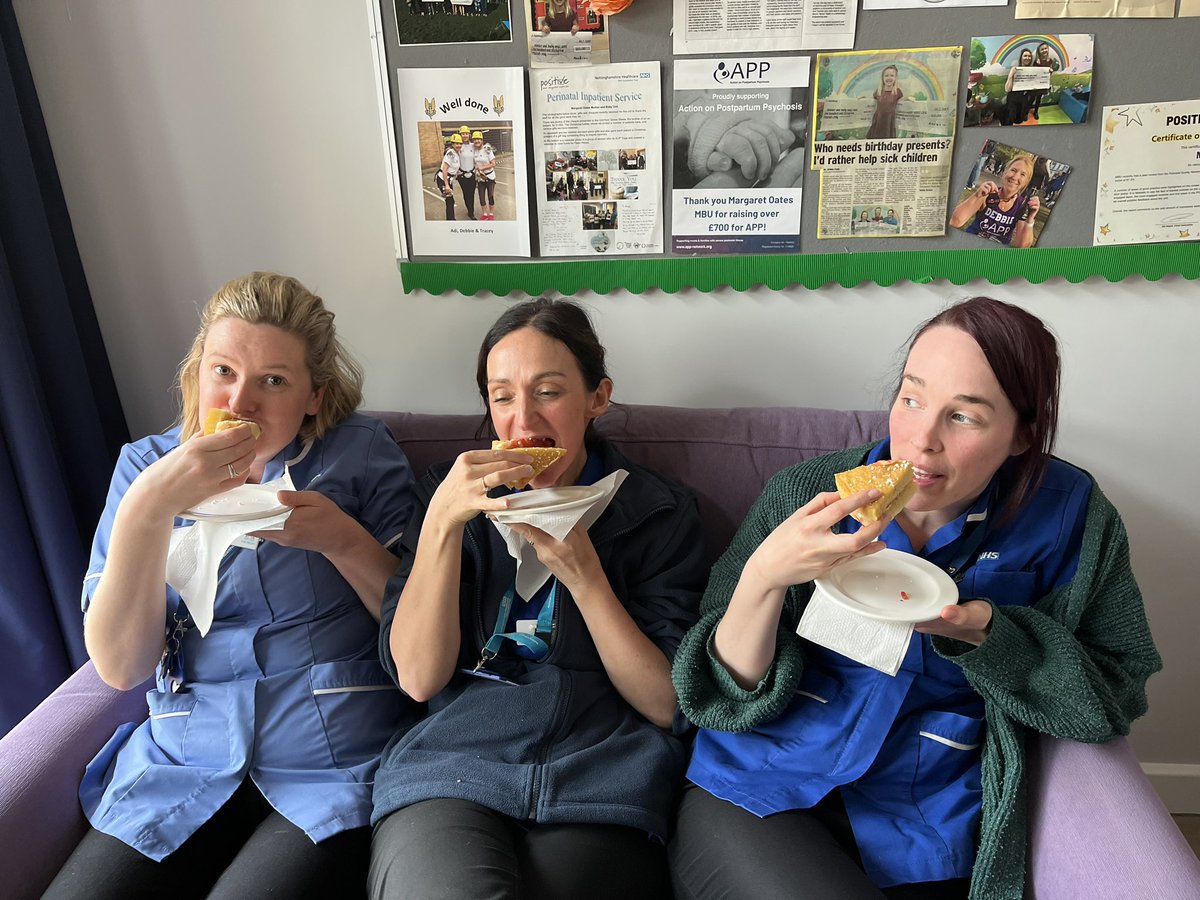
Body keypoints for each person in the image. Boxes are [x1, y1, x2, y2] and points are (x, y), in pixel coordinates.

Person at [668, 296, 1160, 900]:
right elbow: (714, 698)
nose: (920, 441)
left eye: (965, 416)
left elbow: (1111, 697)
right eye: (912, 397)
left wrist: (990, 638)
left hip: (927, 820)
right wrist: (765, 575)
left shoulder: (1069, 520)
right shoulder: (807, 495)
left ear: (1021, 435)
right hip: (764, 785)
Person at [44, 272, 417, 899]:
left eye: (273, 381)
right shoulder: (144, 469)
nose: (240, 402)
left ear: (313, 398)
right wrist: (149, 508)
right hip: (182, 759)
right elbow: (119, 666)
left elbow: (420, 626)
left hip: (332, 757)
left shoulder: (358, 454)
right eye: (223, 371)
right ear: (196, 376)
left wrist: (342, 541)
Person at [369, 298, 706, 899]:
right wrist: (443, 524)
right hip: (450, 771)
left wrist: (586, 577)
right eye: (502, 396)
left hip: (603, 779)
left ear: (597, 398)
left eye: (547, 391)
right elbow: (418, 679)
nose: (522, 419)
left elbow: (667, 705)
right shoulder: (445, 499)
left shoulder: (657, 512)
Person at [950, 153, 1040, 248]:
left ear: (1026, 181)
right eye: (1013, 170)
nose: (1015, 177)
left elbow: (1022, 246)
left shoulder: (1021, 205)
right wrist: (976, 195)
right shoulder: (989, 193)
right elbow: (955, 221)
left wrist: (1030, 219)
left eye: (1022, 174)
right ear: (1005, 172)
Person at [867, 64, 903, 140]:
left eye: (892, 75)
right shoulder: (878, 91)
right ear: (883, 78)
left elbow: (904, 99)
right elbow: (871, 98)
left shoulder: (897, 92)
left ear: (895, 78)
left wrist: (910, 98)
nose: (889, 78)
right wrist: (863, 97)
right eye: (886, 76)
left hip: (889, 122)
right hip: (878, 122)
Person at [1003, 49, 1035, 126]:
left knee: (1019, 120)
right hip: (1013, 99)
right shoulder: (1015, 69)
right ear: (1021, 57)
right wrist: (1010, 76)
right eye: (1025, 56)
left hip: (1023, 99)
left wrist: (1047, 73)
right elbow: (1007, 89)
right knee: (1011, 119)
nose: (1027, 58)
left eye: (1029, 56)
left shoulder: (1033, 70)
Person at [1028, 42, 1060, 121]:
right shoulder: (1037, 61)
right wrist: (1036, 64)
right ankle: (1026, 111)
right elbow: (1034, 72)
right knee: (1031, 98)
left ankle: (1036, 112)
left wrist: (1051, 71)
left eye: (1045, 48)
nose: (1044, 50)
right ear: (1039, 51)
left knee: (1039, 98)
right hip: (1036, 84)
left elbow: (1050, 71)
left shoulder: (1050, 61)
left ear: (1048, 49)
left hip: (1043, 84)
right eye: (1042, 49)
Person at [472, 130, 497, 221]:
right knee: (481, 197)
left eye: (478, 139)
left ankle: (491, 213)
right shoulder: (474, 150)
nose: (477, 141)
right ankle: (485, 214)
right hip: (480, 178)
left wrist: (483, 167)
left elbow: (493, 163)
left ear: (482, 140)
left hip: (490, 177)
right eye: (475, 139)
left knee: (490, 196)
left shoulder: (487, 149)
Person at [436, 133, 462, 220]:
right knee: (450, 201)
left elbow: (454, 168)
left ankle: (450, 219)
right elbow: (445, 169)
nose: (458, 145)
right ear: (452, 144)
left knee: (450, 201)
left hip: (449, 179)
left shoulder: (457, 153)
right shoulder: (450, 153)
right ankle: (451, 220)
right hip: (443, 179)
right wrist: (446, 185)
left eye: (460, 143)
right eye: (456, 143)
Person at [456, 125, 478, 220]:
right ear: (460, 135)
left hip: (472, 174)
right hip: (462, 175)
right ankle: (470, 210)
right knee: (466, 194)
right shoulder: (458, 146)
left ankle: (471, 212)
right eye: (462, 134)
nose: (464, 135)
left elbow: (481, 149)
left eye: (466, 133)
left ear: (469, 134)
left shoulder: (473, 146)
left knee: (471, 194)